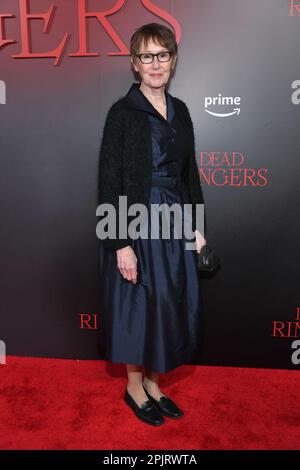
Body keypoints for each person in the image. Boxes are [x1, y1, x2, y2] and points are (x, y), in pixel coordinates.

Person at [97, 23, 206, 426]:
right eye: (147, 56)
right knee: (138, 307)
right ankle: (134, 387)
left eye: (162, 55)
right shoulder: (122, 114)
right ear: (134, 64)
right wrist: (119, 242)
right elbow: (108, 179)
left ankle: (156, 385)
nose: (155, 63)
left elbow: (189, 175)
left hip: (175, 221)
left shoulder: (183, 112)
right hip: (137, 224)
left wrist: (196, 224)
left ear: (173, 61)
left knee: (167, 305)